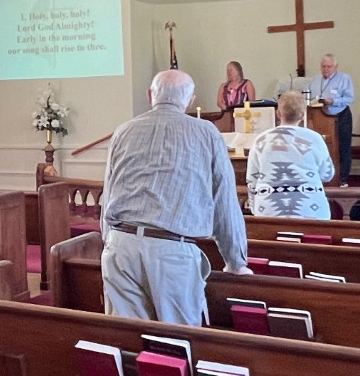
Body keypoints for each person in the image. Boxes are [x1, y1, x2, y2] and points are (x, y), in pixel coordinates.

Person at [101, 69, 251, 327]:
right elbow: (224, 201)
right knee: (176, 341)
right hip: (171, 252)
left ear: (150, 95)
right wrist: (235, 261)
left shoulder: (124, 131)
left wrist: (109, 241)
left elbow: (109, 190)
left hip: (120, 246)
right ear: (191, 100)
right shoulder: (206, 133)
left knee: (126, 337)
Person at [246, 92, 335, 219]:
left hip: (269, 211)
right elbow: (327, 175)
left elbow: (252, 179)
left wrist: (254, 209)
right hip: (310, 209)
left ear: (278, 113)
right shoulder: (315, 138)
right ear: (303, 114)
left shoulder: (260, 140)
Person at [305, 54, 355, 187]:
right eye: (323, 66)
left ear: (335, 67)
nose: (326, 69)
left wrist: (333, 101)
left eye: (329, 66)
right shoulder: (315, 79)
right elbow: (308, 95)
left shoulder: (344, 79)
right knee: (323, 146)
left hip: (340, 115)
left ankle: (342, 179)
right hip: (321, 117)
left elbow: (349, 98)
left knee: (343, 147)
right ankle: (324, 177)